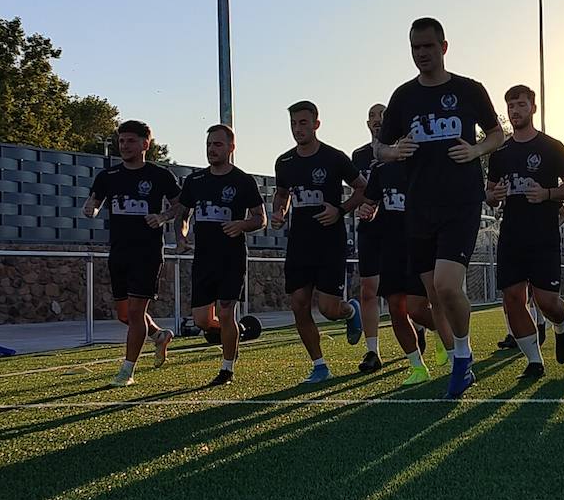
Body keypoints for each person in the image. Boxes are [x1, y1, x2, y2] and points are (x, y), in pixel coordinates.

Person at [374, 17, 505, 399]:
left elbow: (496, 134)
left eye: (428, 47)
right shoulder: (403, 96)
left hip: (461, 200)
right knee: (432, 295)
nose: (422, 54)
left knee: (448, 286)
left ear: (444, 47)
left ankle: (462, 359)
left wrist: (477, 149)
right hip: (419, 206)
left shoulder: (468, 90)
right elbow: (380, 148)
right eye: (415, 48)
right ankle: (456, 353)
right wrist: (393, 152)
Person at [485, 85, 564, 378]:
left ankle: (562, 327)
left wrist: (548, 193)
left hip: (543, 234)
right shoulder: (500, 153)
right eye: (511, 106)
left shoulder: (551, 147)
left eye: (522, 105)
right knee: (513, 297)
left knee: (546, 300)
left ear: (533, 108)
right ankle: (534, 361)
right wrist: (495, 194)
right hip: (512, 233)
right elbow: (489, 194)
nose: (516, 111)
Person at [271, 101, 366, 383]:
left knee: (328, 309)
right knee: (299, 303)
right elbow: (282, 194)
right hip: (299, 242)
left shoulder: (335, 158)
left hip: (330, 242)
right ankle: (320, 365)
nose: (297, 129)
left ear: (316, 124)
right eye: (293, 124)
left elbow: (362, 188)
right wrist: (279, 212)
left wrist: (341, 210)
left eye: (303, 123)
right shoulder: (284, 162)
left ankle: (350, 310)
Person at [84, 120, 182, 387]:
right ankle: (159, 336)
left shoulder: (160, 176)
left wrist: (162, 217)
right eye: (121, 140)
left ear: (145, 144)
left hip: (147, 252)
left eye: (130, 140)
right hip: (119, 252)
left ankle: (127, 371)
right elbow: (93, 202)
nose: (124, 145)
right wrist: (90, 208)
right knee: (125, 315)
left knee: (137, 311)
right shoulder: (108, 176)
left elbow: (179, 206)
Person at [170, 124, 266, 386]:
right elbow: (183, 215)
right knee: (202, 320)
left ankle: (227, 369)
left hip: (231, 258)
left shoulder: (243, 181)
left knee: (226, 312)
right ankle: (238, 332)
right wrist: (181, 236)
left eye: (218, 144)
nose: (212, 149)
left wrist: (241, 225)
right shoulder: (195, 181)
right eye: (209, 144)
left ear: (231, 148)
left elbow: (260, 218)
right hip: (203, 258)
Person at [361, 154, 447, 384]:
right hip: (391, 249)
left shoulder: (426, 164)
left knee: (417, 308)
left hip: (421, 244)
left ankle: (445, 336)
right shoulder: (382, 169)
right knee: (396, 309)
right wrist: (367, 213)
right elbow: (370, 203)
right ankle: (417, 367)